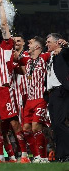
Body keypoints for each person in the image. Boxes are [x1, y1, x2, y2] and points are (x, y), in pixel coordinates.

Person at [0, 0, 29, 163]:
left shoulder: (5, 47)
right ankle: (0, 157)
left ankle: (24, 155)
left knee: (13, 122)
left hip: (5, 89)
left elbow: (4, 25)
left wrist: (1, 6)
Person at [19, 36, 51, 163]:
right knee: (26, 130)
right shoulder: (28, 61)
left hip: (40, 99)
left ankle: (44, 157)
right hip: (29, 100)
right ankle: (36, 156)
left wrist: (61, 47)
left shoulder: (44, 58)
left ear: (37, 47)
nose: (28, 45)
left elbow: (56, 50)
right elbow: (17, 57)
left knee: (36, 127)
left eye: (31, 43)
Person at [45, 33, 69, 162]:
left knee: (59, 123)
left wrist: (66, 46)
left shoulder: (62, 53)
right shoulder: (49, 56)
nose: (46, 44)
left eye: (49, 42)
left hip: (61, 90)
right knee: (55, 125)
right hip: (52, 94)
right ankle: (61, 155)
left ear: (57, 43)